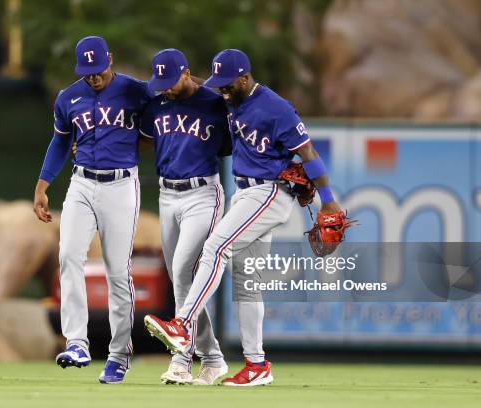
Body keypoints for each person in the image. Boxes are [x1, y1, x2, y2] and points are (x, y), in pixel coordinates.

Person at [144, 49, 345, 386]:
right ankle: (257, 365)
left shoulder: (275, 108)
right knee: (247, 283)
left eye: (227, 83)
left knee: (215, 248)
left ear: (243, 77)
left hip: (268, 192)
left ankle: (181, 323)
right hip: (245, 192)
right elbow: (196, 92)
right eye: (217, 82)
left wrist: (328, 202)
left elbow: (308, 152)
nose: (221, 89)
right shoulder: (231, 101)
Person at [33, 35, 150, 384]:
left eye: (98, 70)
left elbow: (160, 120)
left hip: (121, 185)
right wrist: (42, 184)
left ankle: (118, 355)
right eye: (87, 72)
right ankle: (76, 342)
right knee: (68, 255)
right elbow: (60, 140)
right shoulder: (69, 97)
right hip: (81, 183)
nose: (93, 77)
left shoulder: (135, 90)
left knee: (117, 270)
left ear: (110, 60)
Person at [140, 49, 231, 385]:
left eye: (170, 80)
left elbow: (230, 145)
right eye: (159, 81)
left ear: (187, 72)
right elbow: (147, 140)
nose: (165, 87)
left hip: (202, 192)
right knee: (181, 278)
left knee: (182, 269)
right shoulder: (157, 100)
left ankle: (181, 359)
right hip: (167, 194)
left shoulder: (213, 102)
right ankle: (213, 358)